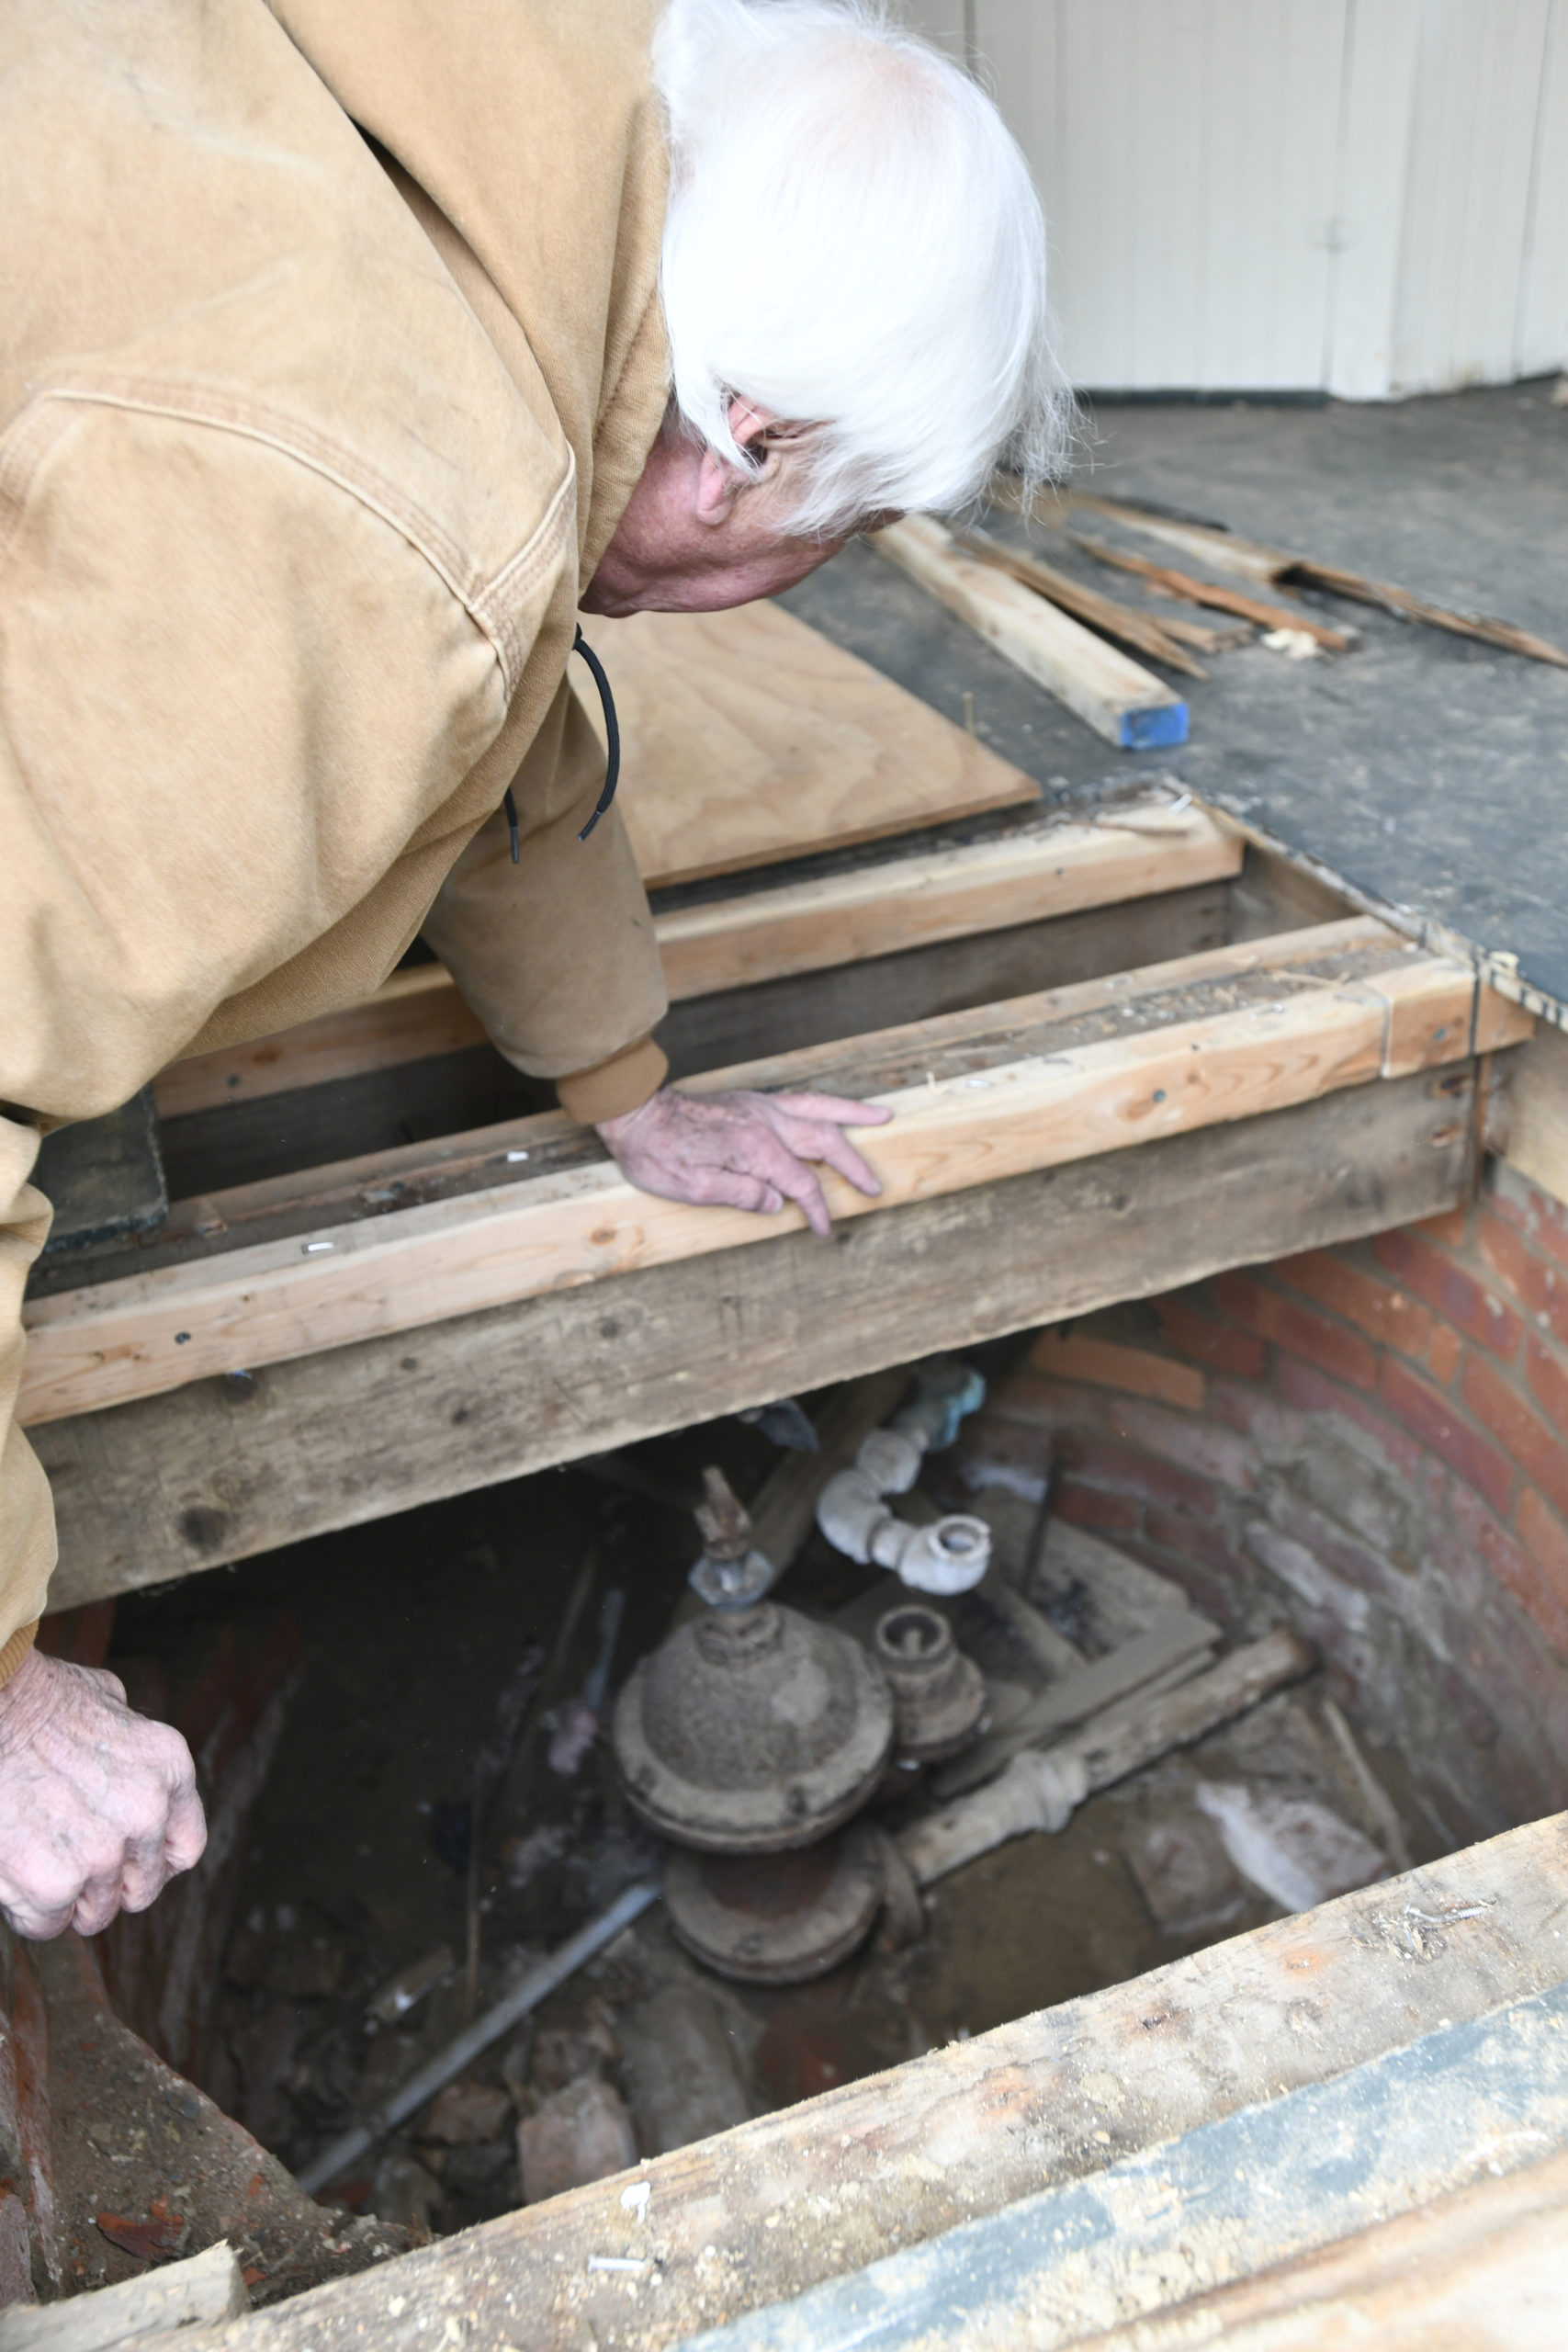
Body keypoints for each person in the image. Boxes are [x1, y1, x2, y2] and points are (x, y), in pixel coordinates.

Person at [0, 0, 1067, 1939]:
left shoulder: (526, 132)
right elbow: (425, 585)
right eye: (840, 535)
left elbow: (494, 712)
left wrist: (623, 1082)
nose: (798, 583)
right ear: (746, 445)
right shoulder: (351, 531)